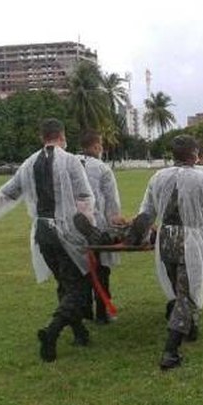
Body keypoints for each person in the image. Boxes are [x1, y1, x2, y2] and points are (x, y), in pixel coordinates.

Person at [0, 118, 96, 362]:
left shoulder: (28, 164)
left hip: (42, 233)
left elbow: (7, 193)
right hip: (67, 232)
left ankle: (80, 333)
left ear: (42, 137)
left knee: (64, 283)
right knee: (78, 289)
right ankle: (52, 332)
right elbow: (84, 197)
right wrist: (89, 227)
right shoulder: (71, 162)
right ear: (62, 136)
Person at [133, 135, 203, 370]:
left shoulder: (158, 177)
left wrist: (139, 234)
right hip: (191, 240)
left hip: (165, 239)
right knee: (186, 294)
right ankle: (170, 351)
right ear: (195, 154)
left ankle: (191, 328)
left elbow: (146, 212)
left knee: (180, 291)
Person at [78, 130, 125, 324]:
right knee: (100, 270)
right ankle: (101, 312)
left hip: (71, 226)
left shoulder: (69, 163)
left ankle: (84, 311)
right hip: (96, 226)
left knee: (79, 270)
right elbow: (111, 202)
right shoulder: (102, 168)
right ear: (97, 146)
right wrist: (116, 227)